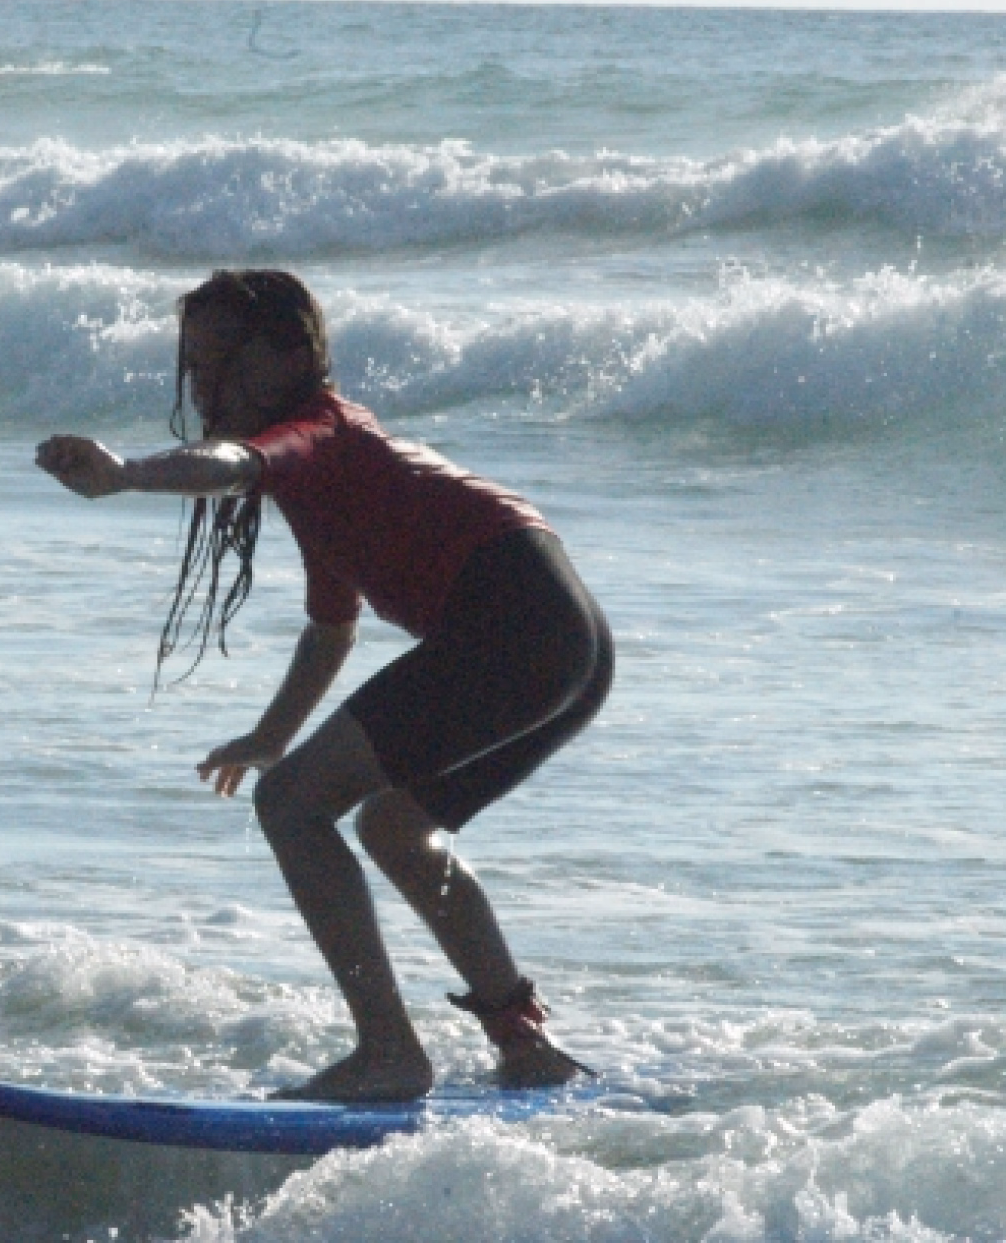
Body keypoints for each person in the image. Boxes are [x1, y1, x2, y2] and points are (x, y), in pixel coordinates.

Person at [35, 270, 611, 1101]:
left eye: (225, 362)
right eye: (193, 368)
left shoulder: (317, 435)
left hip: (518, 619)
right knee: (395, 826)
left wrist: (128, 475)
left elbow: (238, 461)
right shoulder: (331, 477)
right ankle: (521, 1041)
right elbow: (331, 628)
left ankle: (388, 1052)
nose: (207, 387)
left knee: (293, 805)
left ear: (295, 354)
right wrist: (273, 736)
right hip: (572, 643)